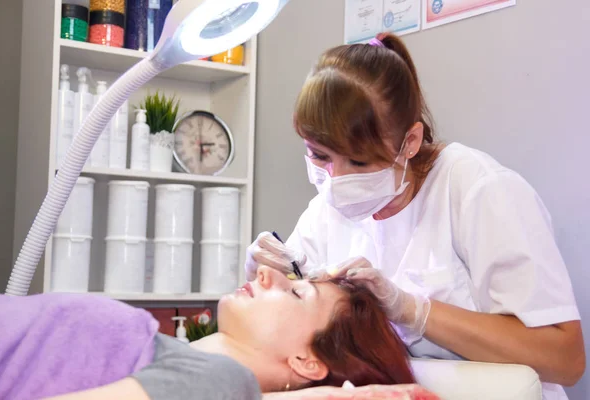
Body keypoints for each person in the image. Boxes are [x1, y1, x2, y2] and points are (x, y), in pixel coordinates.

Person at [245, 32, 586, 400]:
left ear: (409, 142)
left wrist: (413, 311)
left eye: (358, 161)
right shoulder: (326, 212)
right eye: (318, 155)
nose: (335, 181)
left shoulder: (476, 189)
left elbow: (565, 359)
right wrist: (264, 270)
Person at [0, 266, 433, 400]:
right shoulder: (193, 369)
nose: (266, 273)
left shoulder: (219, 380)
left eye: (296, 293)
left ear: (308, 362)